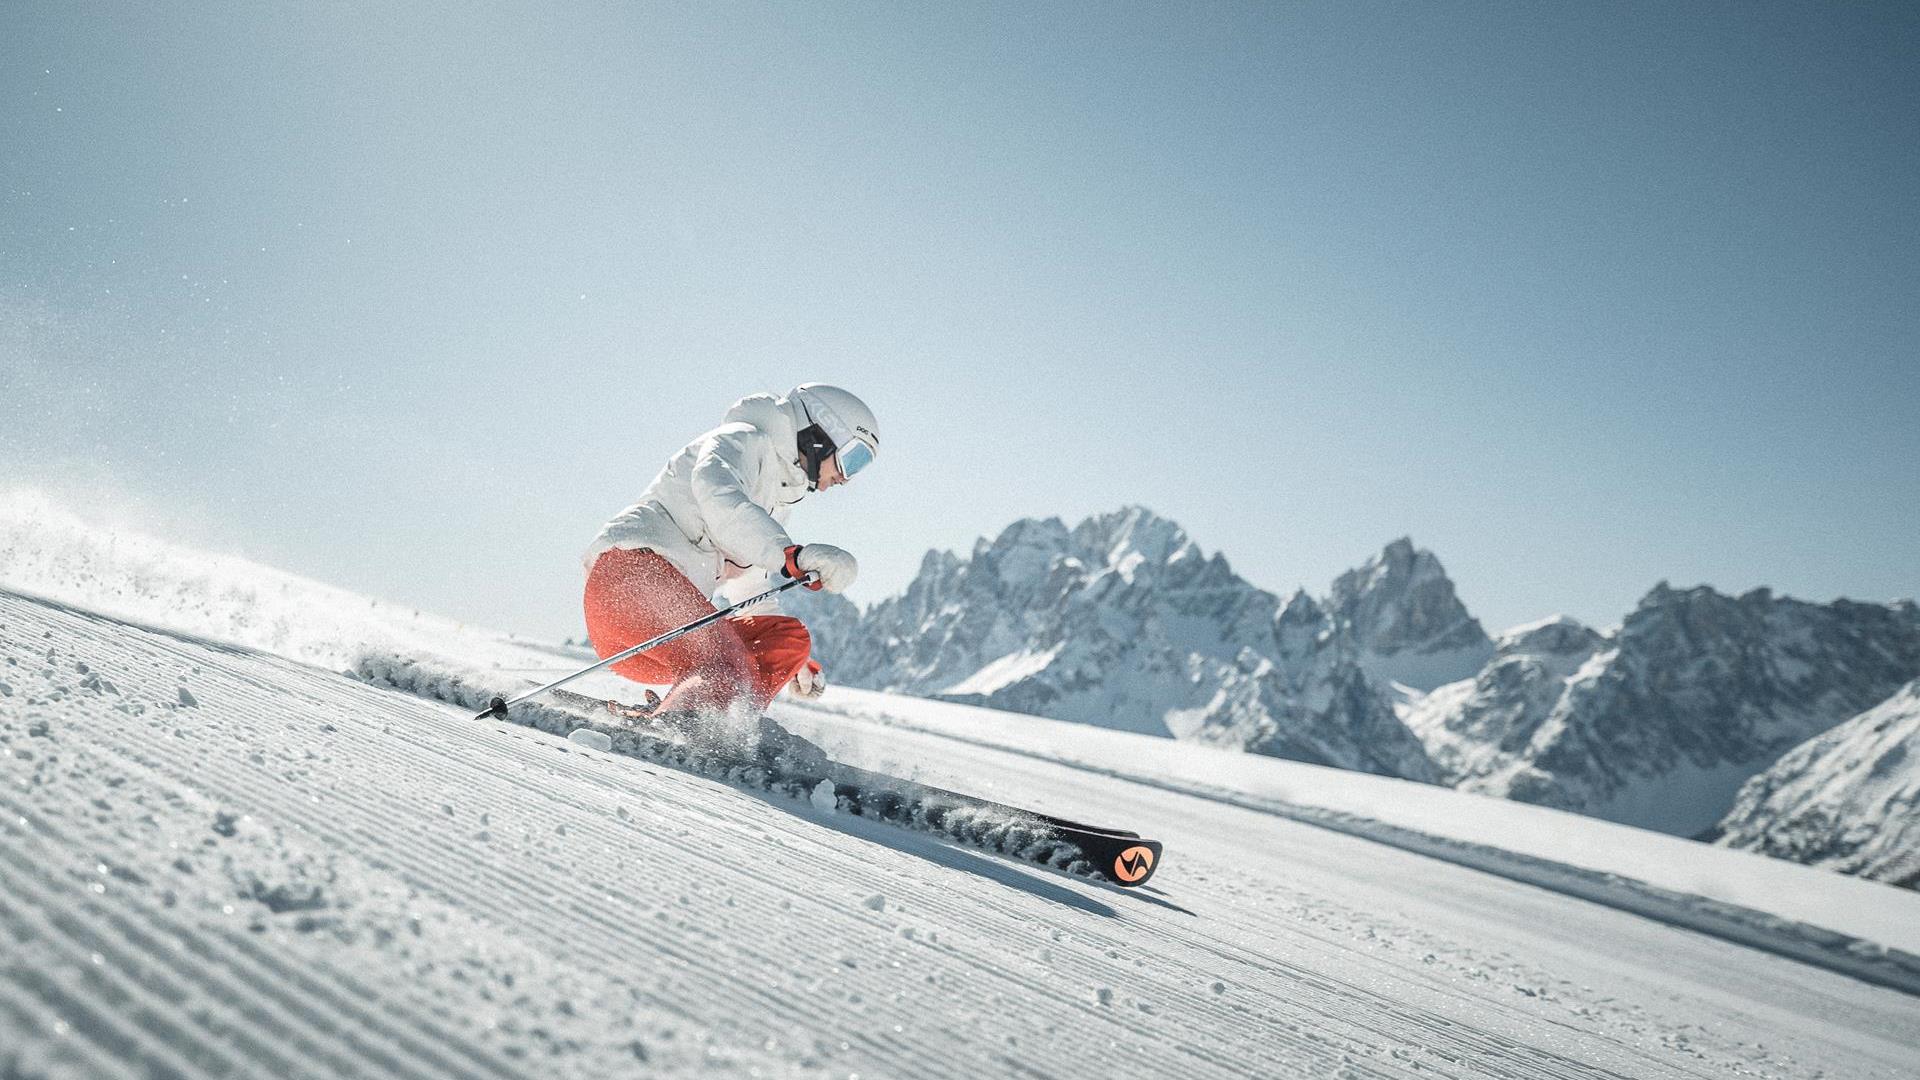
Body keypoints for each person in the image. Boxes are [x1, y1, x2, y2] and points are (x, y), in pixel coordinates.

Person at [580, 384, 877, 720]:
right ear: (821, 433)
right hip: (630, 585)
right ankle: (696, 724)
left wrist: (791, 665)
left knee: (787, 639)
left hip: (666, 636)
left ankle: (729, 722)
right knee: (722, 664)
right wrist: (790, 555)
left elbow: (749, 589)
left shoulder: (774, 502)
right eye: (852, 459)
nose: (845, 478)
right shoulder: (742, 439)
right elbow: (718, 496)